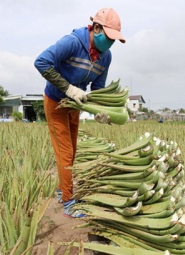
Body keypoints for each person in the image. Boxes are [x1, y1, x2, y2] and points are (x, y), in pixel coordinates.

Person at [34, 8, 126, 218]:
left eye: (114, 40)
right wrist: (68, 88)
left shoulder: (105, 57)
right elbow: (41, 62)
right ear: (96, 28)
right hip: (56, 102)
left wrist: (101, 112)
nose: (110, 43)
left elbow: (98, 89)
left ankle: (61, 190)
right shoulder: (72, 42)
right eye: (109, 37)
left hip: (74, 106)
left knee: (72, 152)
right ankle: (68, 202)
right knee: (64, 152)